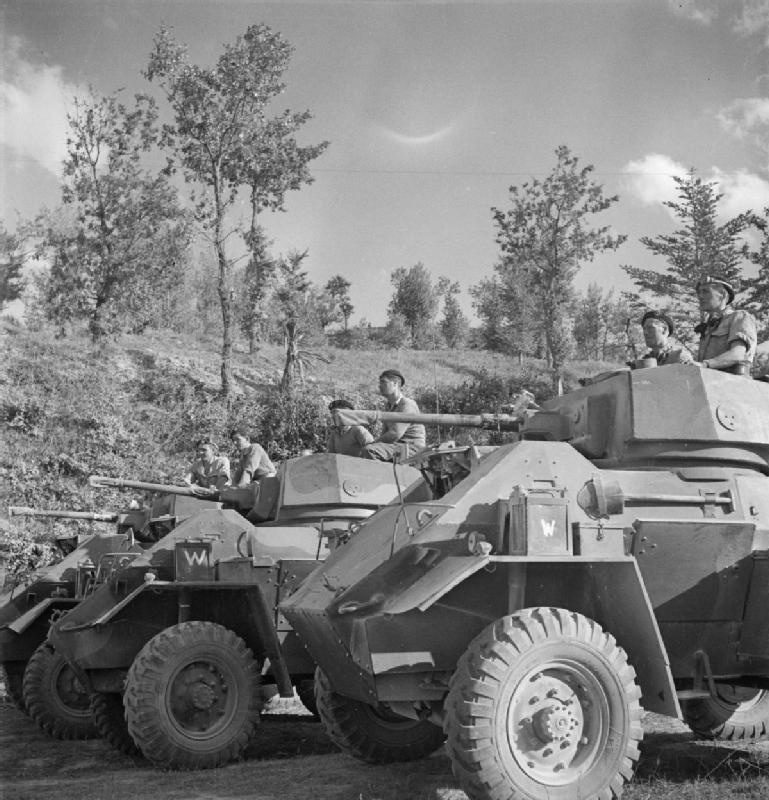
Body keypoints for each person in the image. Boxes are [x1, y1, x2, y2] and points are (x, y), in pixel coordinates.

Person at [694, 276, 757, 374]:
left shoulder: (739, 317)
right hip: (709, 381)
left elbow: (737, 354)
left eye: (705, 291)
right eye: (699, 293)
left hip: (733, 383)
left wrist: (705, 365)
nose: (700, 296)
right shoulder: (708, 327)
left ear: (722, 295)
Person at [361, 369, 426, 462]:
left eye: (383, 382)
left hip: (412, 448)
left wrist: (374, 443)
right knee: (367, 450)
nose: (380, 386)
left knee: (370, 450)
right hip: (397, 446)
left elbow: (395, 433)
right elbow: (385, 433)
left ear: (395, 383)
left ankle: (382, 476)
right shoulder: (389, 406)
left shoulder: (407, 404)